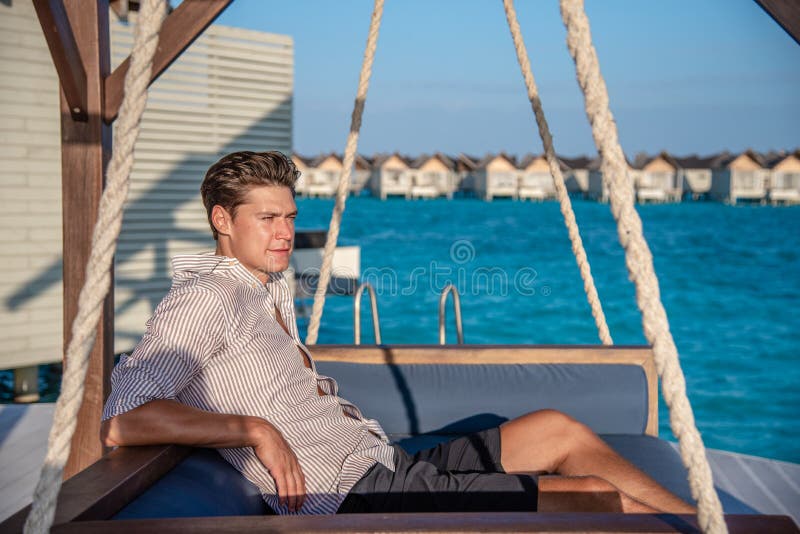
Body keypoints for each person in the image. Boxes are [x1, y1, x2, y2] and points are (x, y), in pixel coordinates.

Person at [101, 150, 695, 516]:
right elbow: (122, 418)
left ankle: (705, 521)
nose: (284, 233)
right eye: (267, 219)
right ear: (221, 221)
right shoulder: (202, 300)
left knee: (556, 428)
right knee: (593, 495)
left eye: (289, 217)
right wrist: (253, 430)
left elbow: (325, 287)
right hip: (359, 496)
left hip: (385, 460)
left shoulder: (263, 285)